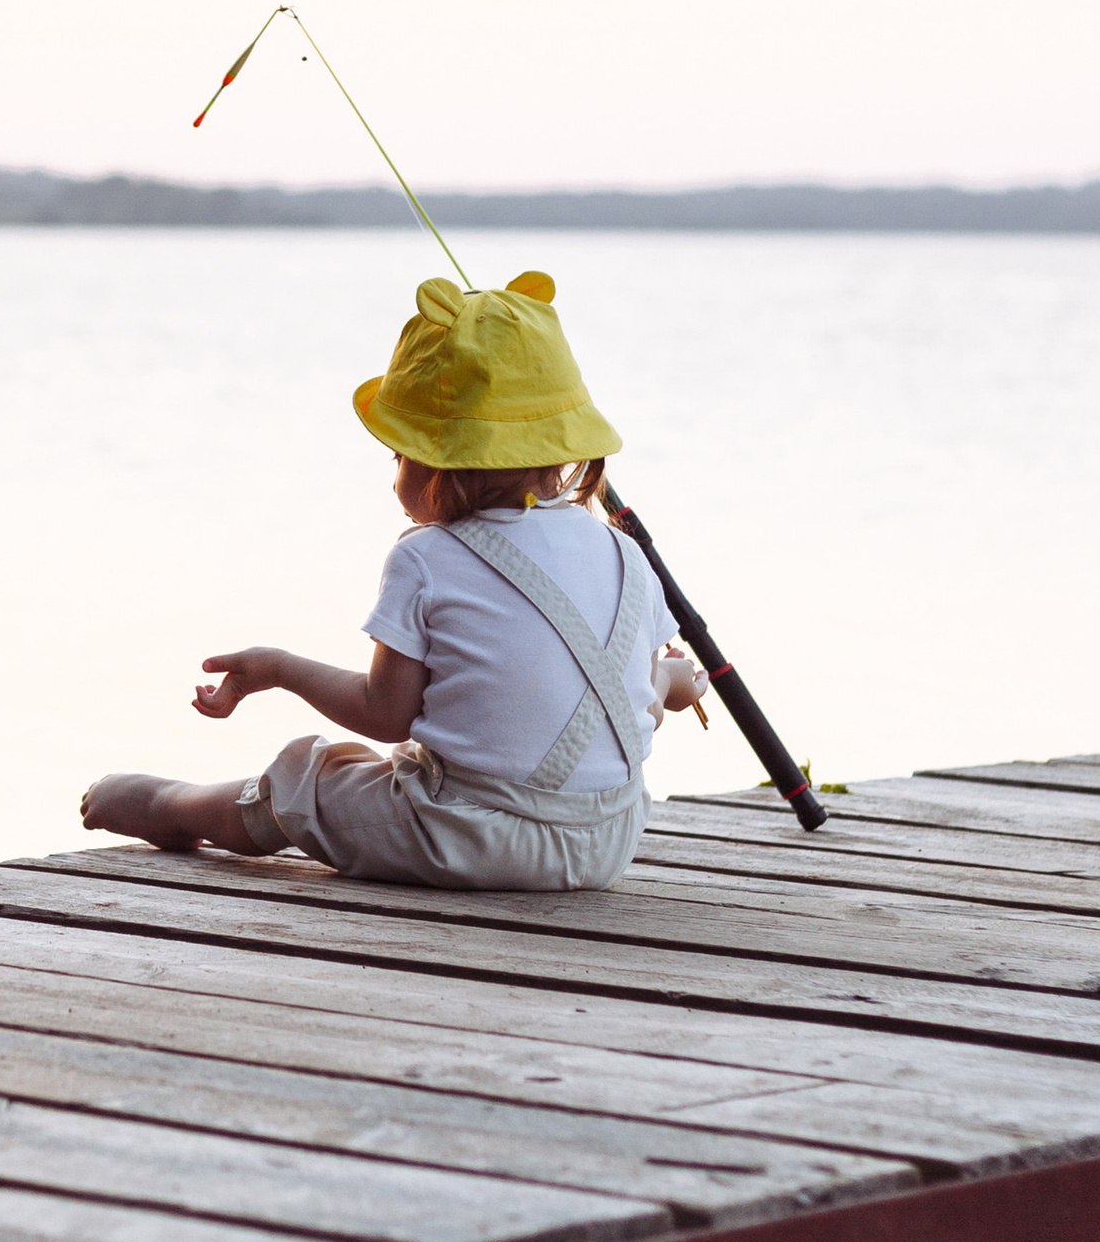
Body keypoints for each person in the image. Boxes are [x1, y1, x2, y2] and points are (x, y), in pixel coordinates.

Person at [81, 270, 708, 890]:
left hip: (469, 839)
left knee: (309, 776)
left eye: (400, 454)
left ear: (439, 465)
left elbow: (386, 715)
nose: (393, 474)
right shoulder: (625, 555)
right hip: (609, 841)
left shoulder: (427, 557)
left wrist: (279, 668)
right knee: (398, 771)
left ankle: (170, 807)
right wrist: (674, 678)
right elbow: (630, 702)